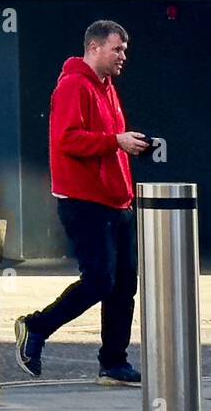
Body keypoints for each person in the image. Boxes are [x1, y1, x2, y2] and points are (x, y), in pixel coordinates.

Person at [15, 20, 149, 386]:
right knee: (100, 281)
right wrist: (115, 142)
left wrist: (124, 145)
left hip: (116, 201)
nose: (123, 55)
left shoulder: (107, 88)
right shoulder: (74, 85)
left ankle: (114, 362)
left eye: (124, 49)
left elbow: (107, 139)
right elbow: (68, 140)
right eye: (116, 49)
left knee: (124, 284)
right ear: (94, 48)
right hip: (85, 201)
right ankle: (36, 326)